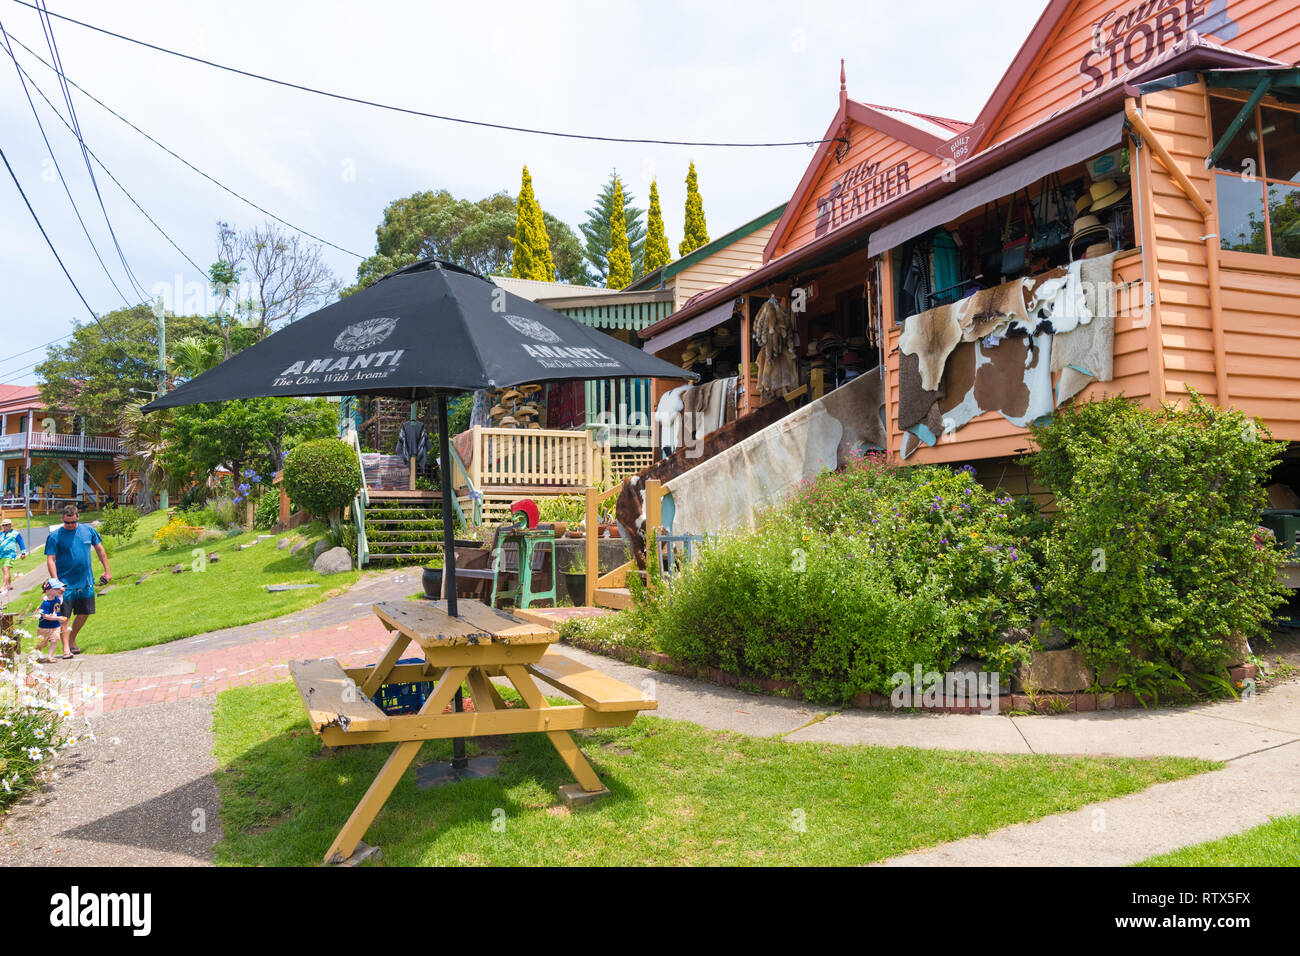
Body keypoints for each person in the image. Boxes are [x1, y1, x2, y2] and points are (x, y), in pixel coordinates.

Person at [44, 504, 110, 655]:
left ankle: (72, 638)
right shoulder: (55, 536)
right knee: (64, 616)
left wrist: (107, 570)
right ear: (62, 519)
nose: (70, 525)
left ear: (77, 518)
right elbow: (51, 560)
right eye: (67, 522)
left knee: (84, 613)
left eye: (73, 522)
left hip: (85, 581)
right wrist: (56, 582)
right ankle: (66, 648)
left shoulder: (88, 531)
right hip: (65, 584)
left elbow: (100, 550)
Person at [32, 577, 70, 663]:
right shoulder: (46, 603)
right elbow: (45, 616)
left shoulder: (56, 598)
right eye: (56, 589)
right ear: (48, 591)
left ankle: (50, 656)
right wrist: (58, 618)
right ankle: (36, 656)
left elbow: (60, 602)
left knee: (55, 640)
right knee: (40, 644)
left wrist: (61, 594)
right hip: (44, 627)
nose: (59, 590)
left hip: (55, 626)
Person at [0, 516, 26, 595]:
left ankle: (3, 586)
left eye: (7, 525)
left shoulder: (15, 533)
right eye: (3, 525)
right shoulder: (1, 534)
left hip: (10, 554)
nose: (5, 527)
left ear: (10, 525)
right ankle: (10, 585)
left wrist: (23, 553)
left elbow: (21, 542)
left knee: (5, 569)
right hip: (1, 555)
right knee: (5, 571)